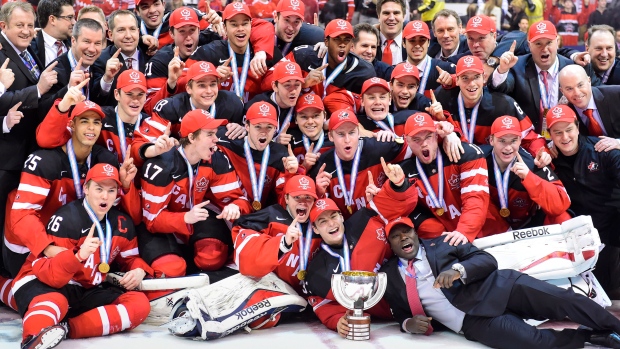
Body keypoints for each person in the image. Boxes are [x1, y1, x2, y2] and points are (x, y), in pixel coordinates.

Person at [379, 216, 620, 349]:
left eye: (407, 232)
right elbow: (400, 312)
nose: (403, 238)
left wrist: (458, 270)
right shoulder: (390, 275)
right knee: (530, 342)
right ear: (390, 244)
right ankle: (589, 337)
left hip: (501, 288)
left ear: (415, 234)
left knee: (565, 300)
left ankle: (616, 327)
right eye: (396, 236)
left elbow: (486, 260)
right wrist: (408, 324)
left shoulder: (443, 244)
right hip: (472, 322)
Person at [13, 164, 152, 349]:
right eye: (99, 189)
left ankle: (66, 329)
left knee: (139, 304)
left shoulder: (122, 223)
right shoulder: (66, 219)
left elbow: (130, 259)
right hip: (42, 281)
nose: (105, 196)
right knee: (57, 302)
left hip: (86, 288)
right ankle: (33, 339)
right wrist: (77, 256)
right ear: (86, 189)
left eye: (111, 190)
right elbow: (50, 275)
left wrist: (139, 270)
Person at [3, 97, 127, 278]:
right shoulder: (44, 161)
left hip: (68, 238)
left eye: (96, 122)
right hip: (29, 244)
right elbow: (22, 215)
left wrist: (125, 185)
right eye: (84, 121)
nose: (91, 127)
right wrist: (47, 248)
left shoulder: (104, 160)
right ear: (72, 125)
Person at [305, 161, 418, 332]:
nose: (331, 224)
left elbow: (392, 202)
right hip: (388, 319)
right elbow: (321, 302)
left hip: (414, 291)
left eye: (334, 216)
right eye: (323, 221)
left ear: (342, 216)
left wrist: (398, 184)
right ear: (315, 229)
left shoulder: (364, 220)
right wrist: (337, 320)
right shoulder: (318, 269)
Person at [139, 108, 251, 278]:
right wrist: (184, 218)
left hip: (194, 217)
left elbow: (238, 199)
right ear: (191, 137)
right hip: (161, 227)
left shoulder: (216, 158)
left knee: (211, 258)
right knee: (171, 269)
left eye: (215, 133)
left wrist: (235, 206)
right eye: (209, 134)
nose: (216, 139)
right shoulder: (161, 166)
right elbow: (152, 221)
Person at [397, 111, 510, 242]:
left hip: (495, 235)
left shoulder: (466, 153)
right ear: (407, 140)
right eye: (416, 139)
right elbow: (404, 210)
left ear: (436, 135)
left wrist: (464, 231)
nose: (424, 144)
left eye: (428, 137)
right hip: (454, 241)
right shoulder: (404, 171)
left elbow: (475, 198)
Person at [0, 2, 58, 245]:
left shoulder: (25, 49)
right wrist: (37, 89)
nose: (26, 31)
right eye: (19, 26)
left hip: (25, 151)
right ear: (3, 26)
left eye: (30, 25)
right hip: (5, 156)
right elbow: (1, 100)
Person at [547, 104, 620, 292]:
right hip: (581, 240)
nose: (565, 137)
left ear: (577, 127)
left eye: (569, 130)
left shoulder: (602, 150)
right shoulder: (550, 161)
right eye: (557, 133)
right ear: (550, 135)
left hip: (613, 230)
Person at [490, 20, 599, 138]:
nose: (544, 49)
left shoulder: (574, 68)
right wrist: (502, 70)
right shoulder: (517, 66)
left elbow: (599, 96)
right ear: (529, 45)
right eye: (538, 44)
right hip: (531, 142)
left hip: (567, 141)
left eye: (549, 43)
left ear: (557, 42)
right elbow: (500, 88)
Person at [308, 108, 410, 219]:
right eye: (341, 134)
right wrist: (318, 193)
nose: (347, 140)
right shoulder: (322, 166)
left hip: (379, 218)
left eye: (351, 132)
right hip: (344, 227)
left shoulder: (378, 148)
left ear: (358, 132)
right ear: (331, 137)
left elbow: (415, 145)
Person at [435, 55, 546, 156]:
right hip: (455, 168)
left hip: (493, 170)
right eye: (465, 78)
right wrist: (446, 133)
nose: (472, 83)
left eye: (476, 77)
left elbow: (530, 138)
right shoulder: (442, 98)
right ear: (457, 80)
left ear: (484, 78)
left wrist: (542, 152)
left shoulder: (504, 104)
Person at [266, 18, 375, 115]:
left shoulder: (365, 72)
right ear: (326, 42)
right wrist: (302, 83)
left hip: (338, 126)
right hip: (299, 121)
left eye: (347, 39)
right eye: (337, 38)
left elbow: (370, 110)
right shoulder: (303, 55)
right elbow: (266, 82)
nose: (342, 44)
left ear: (352, 44)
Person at [232, 175, 320, 294]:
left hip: (308, 296)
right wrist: (282, 244)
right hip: (271, 291)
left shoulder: (320, 223)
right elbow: (247, 257)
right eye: (297, 197)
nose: (303, 202)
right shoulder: (271, 216)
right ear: (287, 198)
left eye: (308, 197)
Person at [483, 116, 571, 229]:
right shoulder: (479, 159)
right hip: (492, 225)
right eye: (502, 141)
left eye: (513, 140)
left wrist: (529, 178)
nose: (508, 147)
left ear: (520, 140)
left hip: (528, 225)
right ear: (491, 140)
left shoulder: (533, 164)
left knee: (563, 218)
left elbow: (561, 203)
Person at [187, 2, 282, 103]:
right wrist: (210, 76)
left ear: (251, 25)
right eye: (234, 24)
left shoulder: (267, 53)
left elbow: (284, 85)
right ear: (224, 28)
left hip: (255, 114)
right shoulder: (209, 52)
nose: (240, 29)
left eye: (245, 24)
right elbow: (184, 81)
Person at [216, 102, 301, 212]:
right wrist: (225, 124)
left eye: (269, 127)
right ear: (246, 126)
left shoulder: (281, 155)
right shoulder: (226, 139)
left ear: (276, 129)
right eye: (258, 127)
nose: (263, 133)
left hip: (258, 217)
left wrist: (293, 173)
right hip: (225, 210)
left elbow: (284, 200)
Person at [39, 18, 105, 118]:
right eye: (87, 41)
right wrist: (69, 89)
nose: (92, 49)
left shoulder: (98, 65)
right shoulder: (55, 71)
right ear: (73, 41)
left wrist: (107, 80)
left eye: (97, 43)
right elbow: (41, 112)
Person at [90, 10, 149, 107]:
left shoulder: (150, 55)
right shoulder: (100, 59)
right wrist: (107, 78)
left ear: (138, 32)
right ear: (110, 35)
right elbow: (96, 100)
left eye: (132, 29)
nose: (128, 36)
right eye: (121, 30)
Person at [558, 64, 620, 144]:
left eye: (580, 85)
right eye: (569, 89)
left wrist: (618, 143)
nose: (577, 93)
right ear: (562, 91)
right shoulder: (564, 113)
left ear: (589, 81)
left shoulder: (616, 95)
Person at [246, 60, 303, 141]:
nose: (293, 91)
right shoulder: (257, 105)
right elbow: (249, 141)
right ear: (274, 87)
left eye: (297, 85)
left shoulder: (303, 103)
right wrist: (274, 142)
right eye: (287, 85)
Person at [401, 20, 456, 96]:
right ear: (403, 43)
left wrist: (453, 80)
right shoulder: (395, 71)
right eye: (412, 41)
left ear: (428, 42)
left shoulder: (446, 69)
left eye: (422, 40)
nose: (417, 45)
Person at [287, 93, 334, 171]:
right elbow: (283, 180)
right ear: (295, 119)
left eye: (316, 116)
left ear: (325, 116)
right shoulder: (289, 142)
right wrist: (304, 166)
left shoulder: (334, 140)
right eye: (304, 117)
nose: (310, 121)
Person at [31, 0, 74, 66]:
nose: (74, 22)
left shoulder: (75, 43)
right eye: (69, 17)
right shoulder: (31, 47)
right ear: (52, 19)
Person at [375, 0, 407, 65]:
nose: (391, 18)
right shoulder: (366, 41)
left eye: (396, 13)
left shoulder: (414, 42)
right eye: (386, 13)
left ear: (403, 16)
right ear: (378, 16)